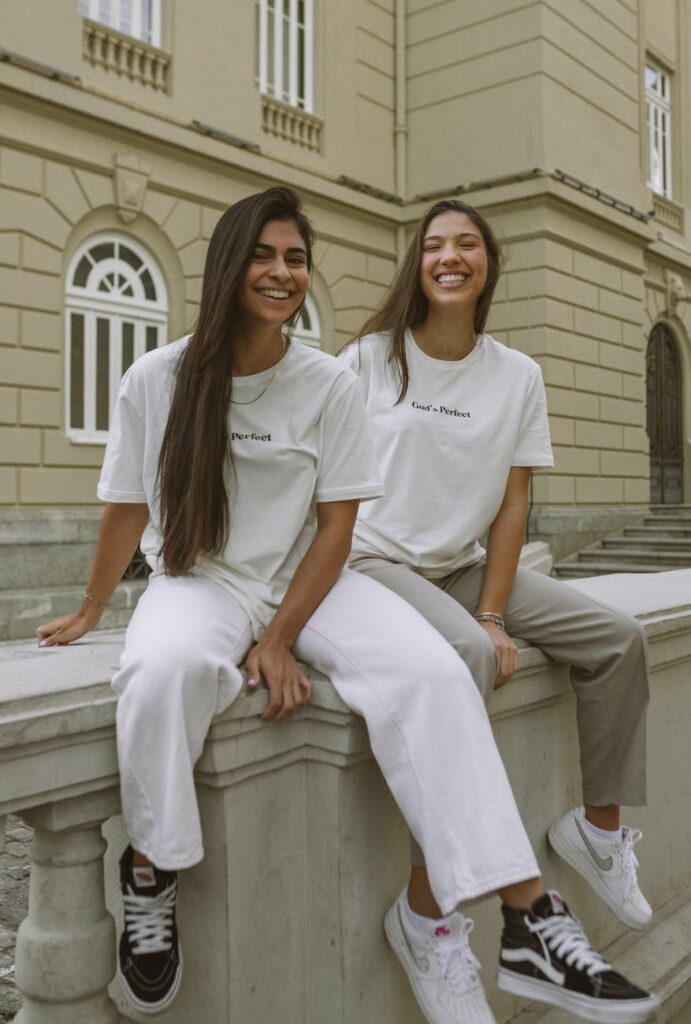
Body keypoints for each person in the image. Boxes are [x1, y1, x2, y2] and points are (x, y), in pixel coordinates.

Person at [36, 188, 657, 1024]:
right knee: (161, 670)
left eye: (296, 258)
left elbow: (336, 527)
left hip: (312, 581)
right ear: (228, 265)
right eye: (263, 255)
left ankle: (526, 917)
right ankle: (151, 871)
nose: (283, 273)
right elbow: (125, 507)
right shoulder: (158, 377)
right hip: (201, 581)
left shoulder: (327, 381)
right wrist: (89, 607)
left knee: (436, 675)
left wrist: (284, 636)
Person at [340, 198, 656, 1018]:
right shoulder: (370, 359)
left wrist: (489, 606)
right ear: (417, 264)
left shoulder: (516, 375)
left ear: (487, 265)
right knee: (470, 660)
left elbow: (512, 506)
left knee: (617, 639)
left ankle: (596, 830)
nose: (449, 256)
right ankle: (427, 914)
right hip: (372, 563)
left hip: (460, 565)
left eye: (466, 244)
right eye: (434, 245)